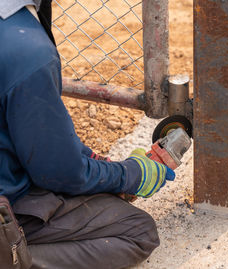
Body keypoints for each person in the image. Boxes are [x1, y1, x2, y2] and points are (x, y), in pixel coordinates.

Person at [0, 1, 175, 268]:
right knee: (137, 231)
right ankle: (12, 258)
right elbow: (59, 173)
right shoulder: (28, 52)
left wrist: (92, 161)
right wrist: (131, 175)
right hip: (7, 199)